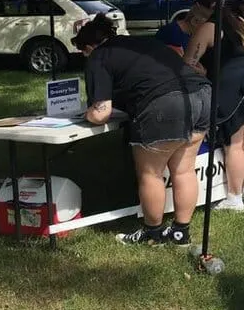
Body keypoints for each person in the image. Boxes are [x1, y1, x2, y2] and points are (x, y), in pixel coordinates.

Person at [73, 14, 211, 246]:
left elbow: (100, 113)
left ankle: (152, 233)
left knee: (151, 173)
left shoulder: (99, 56)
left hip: (163, 104)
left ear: (88, 47)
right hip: (201, 96)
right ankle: (180, 233)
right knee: (184, 171)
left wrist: (87, 113)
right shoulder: (142, 43)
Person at [184, 11, 244, 212]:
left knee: (234, 144)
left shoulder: (208, 28)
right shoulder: (240, 21)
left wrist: (202, 72)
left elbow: (188, 63)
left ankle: (234, 198)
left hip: (236, 83)